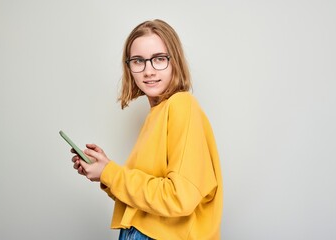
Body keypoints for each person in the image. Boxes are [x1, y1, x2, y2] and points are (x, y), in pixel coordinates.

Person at [71, 19, 223, 240]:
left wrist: (111, 173)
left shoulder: (181, 105)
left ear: (175, 61)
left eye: (159, 59)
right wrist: (104, 172)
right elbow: (146, 201)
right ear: (129, 66)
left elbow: (179, 198)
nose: (148, 70)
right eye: (138, 61)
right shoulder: (157, 114)